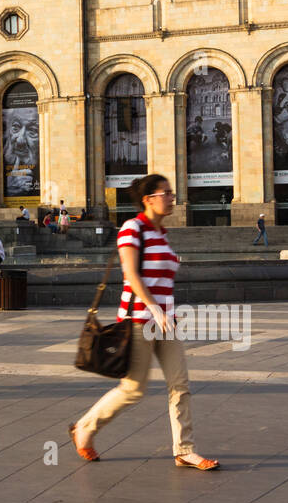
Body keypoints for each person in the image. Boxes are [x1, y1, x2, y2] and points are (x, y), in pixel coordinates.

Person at [69, 173, 218, 470]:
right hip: (139, 320)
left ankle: (184, 450)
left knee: (180, 385)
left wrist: (166, 313)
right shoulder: (131, 229)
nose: (172, 197)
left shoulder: (161, 234)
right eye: (167, 192)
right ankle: (85, 428)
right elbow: (131, 275)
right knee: (133, 389)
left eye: (171, 193)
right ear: (149, 198)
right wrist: (154, 308)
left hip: (165, 321)